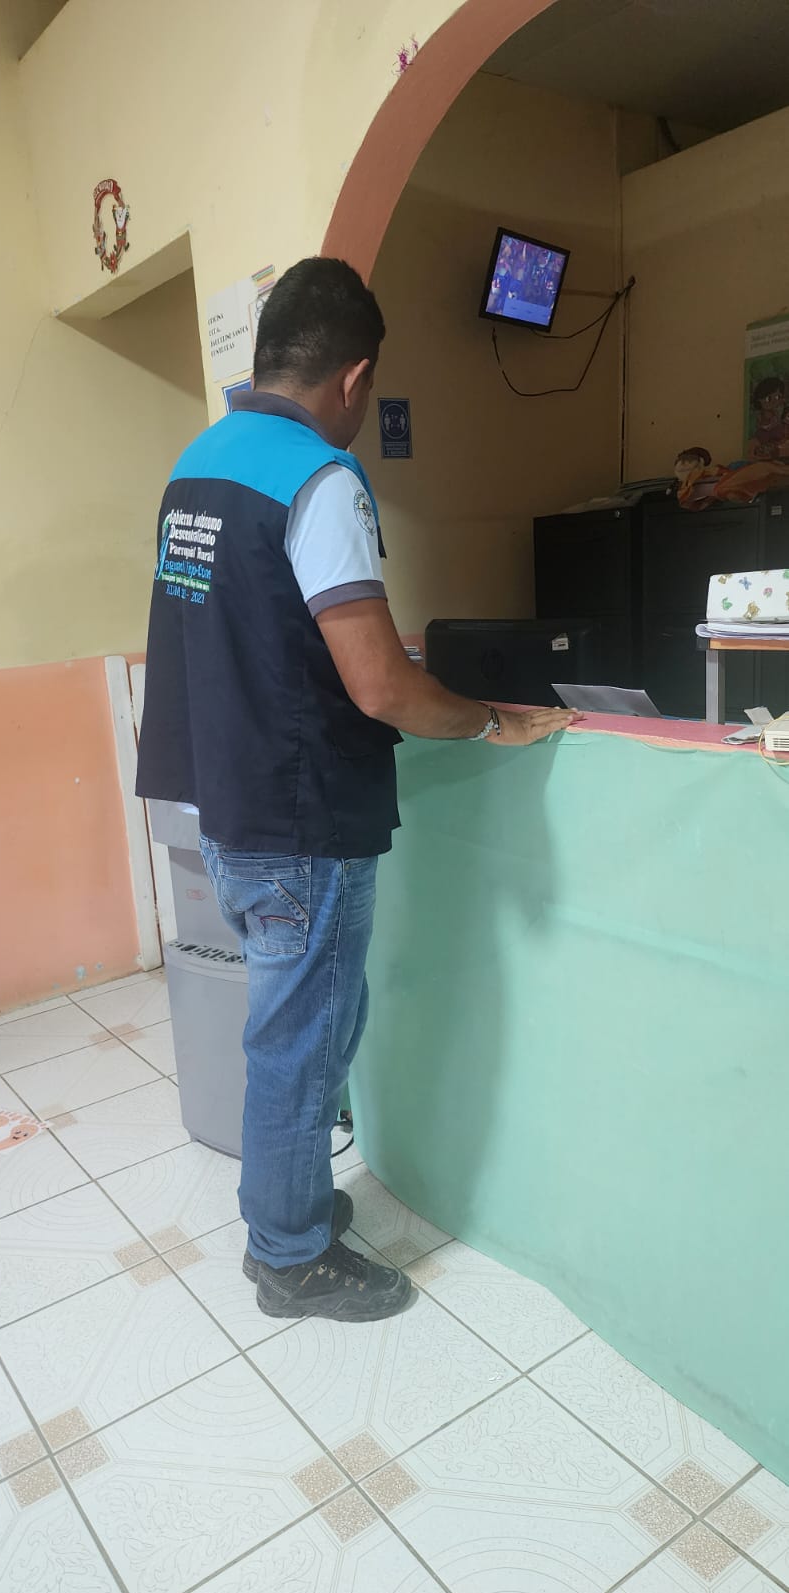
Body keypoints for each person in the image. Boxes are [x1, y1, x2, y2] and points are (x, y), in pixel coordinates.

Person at [136, 257, 576, 1324]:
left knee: (294, 1025)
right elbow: (380, 687)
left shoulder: (198, 465)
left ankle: (284, 1207)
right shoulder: (319, 480)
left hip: (227, 806)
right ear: (354, 376)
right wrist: (493, 719)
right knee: (304, 1036)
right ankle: (290, 1255)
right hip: (302, 821)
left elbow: (237, 635)